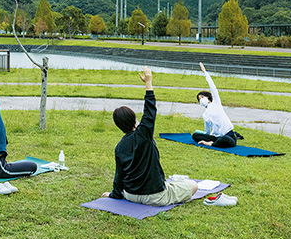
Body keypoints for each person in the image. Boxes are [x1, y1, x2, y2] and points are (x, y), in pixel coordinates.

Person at [102, 67, 198, 206]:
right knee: (193, 185)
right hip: (155, 197)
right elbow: (149, 111)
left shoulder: (120, 147)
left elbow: (119, 175)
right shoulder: (143, 134)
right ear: (134, 118)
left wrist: (114, 194)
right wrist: (148, 83)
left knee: (173, 183)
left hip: (131, 195)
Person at [192, 62, 243, 148]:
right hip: (216, 137)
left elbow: (213, 87)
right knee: (195, 136)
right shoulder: (205, 114)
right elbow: (207, 132)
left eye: (202, 97)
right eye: (199, 99)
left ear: (208, 97)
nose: (201, 100)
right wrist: (202, 134)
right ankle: (213, 142)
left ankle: (211, 143)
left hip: (228, 135)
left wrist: (205, 73)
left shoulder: (216, 103)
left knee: (226, 140)